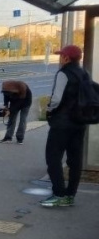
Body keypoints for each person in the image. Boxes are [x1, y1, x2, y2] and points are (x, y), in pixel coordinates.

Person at [41, 45, 88, 207]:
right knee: (75, 160)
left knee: (53, 158)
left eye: (61, 56)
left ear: (67, 58)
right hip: (79, 123)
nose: (60, 59)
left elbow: (56, 98)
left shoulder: (64, 73)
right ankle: (70, 196)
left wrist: (48, 110)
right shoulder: (84, 73)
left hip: (62, 123)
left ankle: (59, 194)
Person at [0, 80, 32, 144]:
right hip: (14, 102)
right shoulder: (6, 89)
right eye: (5, 93)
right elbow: (6, 99)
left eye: (8, 93)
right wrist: (6, 108)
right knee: (11, 119)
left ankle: (20, 138)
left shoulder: (22, 87)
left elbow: (19, 103)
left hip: (25, 102)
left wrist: (10, 111)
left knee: (23, 120)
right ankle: (8, 137)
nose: (6, 94)